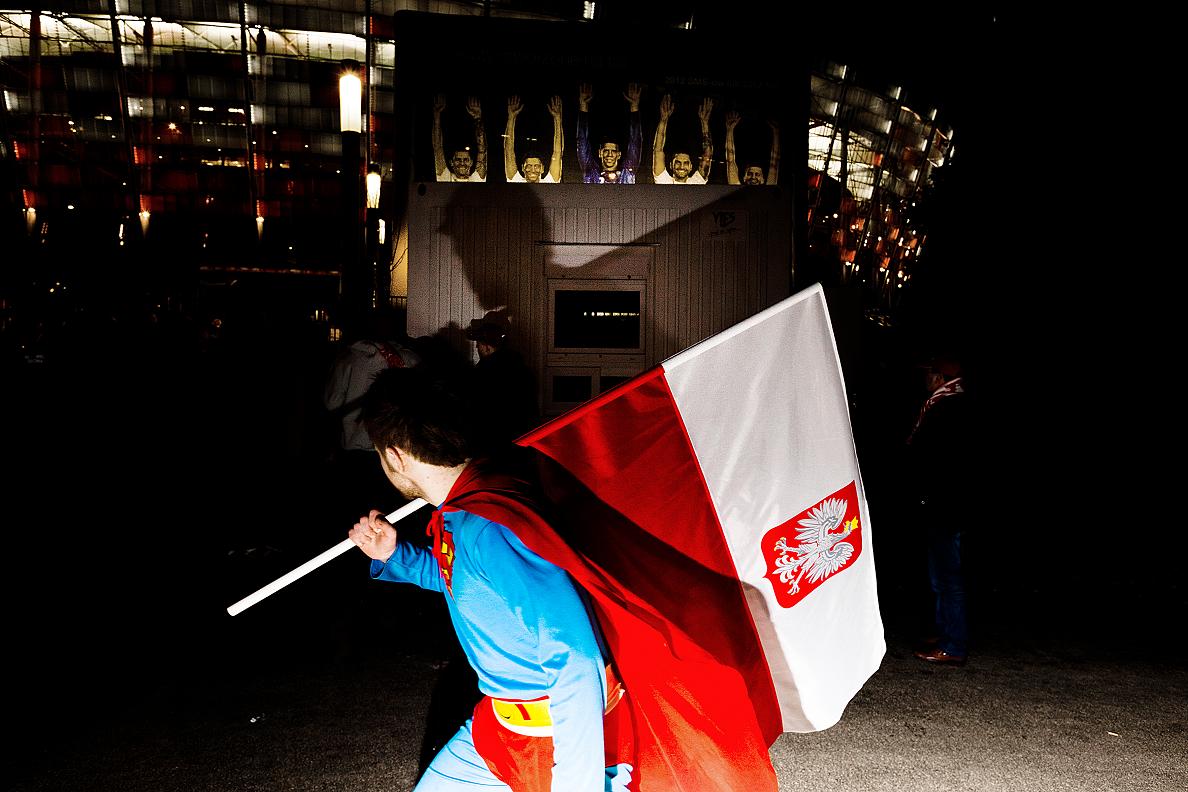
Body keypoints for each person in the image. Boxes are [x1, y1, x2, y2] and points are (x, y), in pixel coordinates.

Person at [348, 366, 632, 791]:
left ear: (394, 455)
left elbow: (574, 658)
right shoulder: (467, 508)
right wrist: (394, 554)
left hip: (553, 735)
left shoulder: (489, 524)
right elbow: (469, 584)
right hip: (499, 729)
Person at [907, 354, 975, 666]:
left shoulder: (947, 408)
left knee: (948, 576)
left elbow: (932, 459)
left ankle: (954, 643)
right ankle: (945, 632)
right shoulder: (950, 405)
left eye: (928, 373)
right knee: (941, 576)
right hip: (946, 503)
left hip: (945, 504)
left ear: (938, 377)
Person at [322, 312, 421, 516]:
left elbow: (331, 402)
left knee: (356, 504)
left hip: (355, 446)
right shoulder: (407, 358)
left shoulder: (349, 359)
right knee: (389, 506)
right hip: (394, 447)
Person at [464, 311, 539, 454]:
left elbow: (477, 409)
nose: (476, 348)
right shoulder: (521, 369)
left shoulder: (484, 373)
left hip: (492, 443)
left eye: (478, 344)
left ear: (487, 347)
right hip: (519, 443)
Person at [575, 82, 642, 184]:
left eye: (613, 151)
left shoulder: (627, 173)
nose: (609, 154)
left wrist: (634, 107)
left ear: (619, 155)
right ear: (600, 152)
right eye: (606, 150)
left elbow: (635, 142)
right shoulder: (591, 172)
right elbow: (582, 141)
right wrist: (583, 107)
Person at [652, 94, 713, 184]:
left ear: (691, 167)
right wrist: (663, 120)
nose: (682, 166)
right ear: (671, 165)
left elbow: (707, 157)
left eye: (686, 163)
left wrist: (705, 123)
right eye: (678, 162)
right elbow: (657, 150)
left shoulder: (696, 183)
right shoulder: (664, 181)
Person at [504, 95, 564, 183]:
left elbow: (558, 152)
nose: (532, 170)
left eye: (536, 166)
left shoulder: (549, 182)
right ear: (522, 168)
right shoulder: (516, 181)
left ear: (542, 168)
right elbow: (508, 152)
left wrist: (558, 119)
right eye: (528, 165)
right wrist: (511, 118)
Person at [433, 94, 487, 182]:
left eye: (466, 160)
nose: (462, 163)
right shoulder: (445, 177)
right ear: (451, 163)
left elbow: (482, 150)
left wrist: (478, 118)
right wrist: (436, 116)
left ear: (471, 162)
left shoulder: (477, 179)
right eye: (458, 160)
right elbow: (437, 148)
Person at [724, 110, 780, 186]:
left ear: (763, 179)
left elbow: (774, 163)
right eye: (750, 174)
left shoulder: (768, 192)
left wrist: (776, 132)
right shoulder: (737, 189)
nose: (753, 177)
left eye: (757, 174)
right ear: (744, 177)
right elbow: (730, 161)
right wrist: (729, 130)